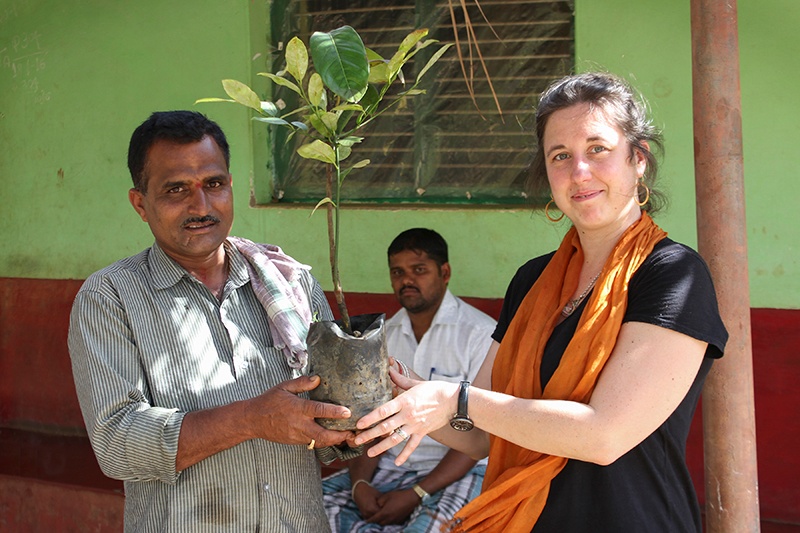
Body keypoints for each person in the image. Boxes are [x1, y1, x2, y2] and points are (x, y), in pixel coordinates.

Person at [353, 72, 728, 532]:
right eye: (560, 156)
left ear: (639, 159)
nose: (580, 172)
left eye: (598, 149)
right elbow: (481, 436)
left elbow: (604, 434)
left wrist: (455, 399)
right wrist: (405, 394)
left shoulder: (672, 275)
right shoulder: (533, 280)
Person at [68, 110, 353, 532]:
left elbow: (328, 423)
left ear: (230, 186)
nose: (200, 205)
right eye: (176, 189)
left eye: (213, 184)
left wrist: (366, 408)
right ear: (140, 204)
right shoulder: (109, 299)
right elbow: (117, 444)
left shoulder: (289, 282)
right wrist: (252, 418)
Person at [322, 228, 495, 532]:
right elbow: (372, 422)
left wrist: (416, 494)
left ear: (445, 272)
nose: (406, 280)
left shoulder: (480, 335)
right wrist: (360, 485)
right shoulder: (382, 335)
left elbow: (479, 440)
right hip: (393, 465)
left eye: (419, 270)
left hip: (459, 470)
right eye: (397, 272)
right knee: (312, 509)